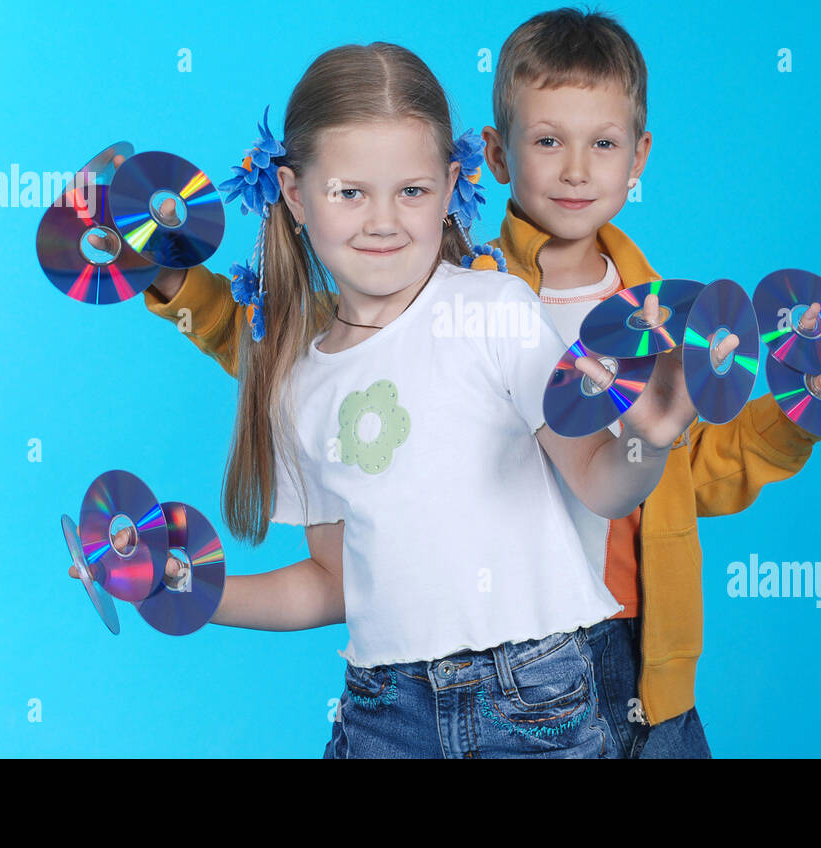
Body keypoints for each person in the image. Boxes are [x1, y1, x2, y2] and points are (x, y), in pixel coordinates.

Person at [70, 41, 714, 758]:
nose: (383, 221)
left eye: (410, 191)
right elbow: (329, 584)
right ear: (293, 194)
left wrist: (650, 433)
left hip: (537, 697)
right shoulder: (291, 375)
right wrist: (180, 584)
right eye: (350, 192)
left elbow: (601, 484)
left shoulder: (496, 309)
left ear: (448, 187)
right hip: (385, 712)